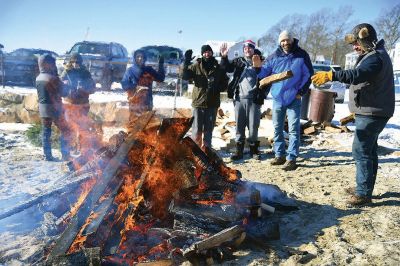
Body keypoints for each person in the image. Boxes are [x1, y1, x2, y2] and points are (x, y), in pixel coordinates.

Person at [311, 23, 395, 206]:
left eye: (357, 43)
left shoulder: (375, 58)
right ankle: (365, 188)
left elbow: (357, 75)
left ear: (366, 39)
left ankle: (363, 193)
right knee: (369, 151)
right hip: (372, 110)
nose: (355, 47)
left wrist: (332, 75)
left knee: (361, 150)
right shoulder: (373, 55)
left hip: (373, 112)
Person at [258, 30, 313, 171]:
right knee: (277, 128)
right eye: (282, 40)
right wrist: (257, 67)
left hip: (294, 97)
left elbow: (308, 74)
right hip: (278, 98)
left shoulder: (301, 55)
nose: (285, 42)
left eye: (287, 40)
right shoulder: (274, 56)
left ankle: (291, 158)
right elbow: (264, 73)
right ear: (279, 42)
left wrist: (301, 91)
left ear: (292, 40)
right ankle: (279, 155)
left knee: (294, 130)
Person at [220, 40, 266, 160]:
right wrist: (224, 57)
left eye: (250, 47)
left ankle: (254, 151)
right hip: (239, 99)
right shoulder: (238, 62)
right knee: (239, 127)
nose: (247, 49)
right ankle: (239, 151)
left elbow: (266, 80)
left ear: (253, 49)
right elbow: (226, 69)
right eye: (245, 47)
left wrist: (258, 69)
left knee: (253, 126)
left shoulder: (260, 61)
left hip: (254, 100)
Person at [182, 44, 228, 148]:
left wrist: (217, 88)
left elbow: (225, 82)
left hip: (212, 103)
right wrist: (186, 61)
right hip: (198, 103)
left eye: (209, 52)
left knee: (208, 131)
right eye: (205, 52)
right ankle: (196, 152)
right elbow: (184, 76)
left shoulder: (218, 67)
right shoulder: (196, 66)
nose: (207, 54)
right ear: (202, 54)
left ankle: (207, 152)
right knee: (196, 130)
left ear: (212, 53)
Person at [60, 53, 97, 160]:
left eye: (78, 62)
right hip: (70, 105)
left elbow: (93, 88)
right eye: (74, 62)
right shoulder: (66, 72)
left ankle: (82, 150)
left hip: (82, 105)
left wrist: (85, 88)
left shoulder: (85, 73)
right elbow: (60, 88)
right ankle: (66, 153)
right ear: (71, 62)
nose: (76, 64)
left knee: (82, 128)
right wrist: (67, 87)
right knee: (68, 128)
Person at [35, 54, 71, 161]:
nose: (54, 65)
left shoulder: (39, 78)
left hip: (42, 108)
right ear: (48, 64)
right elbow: (64, 93)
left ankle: (47, 155)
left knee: (46, 132)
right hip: (55, 108)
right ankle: (65, 155)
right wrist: (66, 84)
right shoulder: (52, 78)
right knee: (66, 130)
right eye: (52, 63)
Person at [121, 49, 165, 121]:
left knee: (146, 127)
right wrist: (136, 86)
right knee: (134, 126)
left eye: (142, 57)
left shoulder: (149, 70)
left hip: (147, 104)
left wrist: (161, 64)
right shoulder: (130, 71)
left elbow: (160, 79)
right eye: (138, 56)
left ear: (145, 58)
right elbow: (124, 85)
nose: (140, 58)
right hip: (134, 105)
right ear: (134, 58)